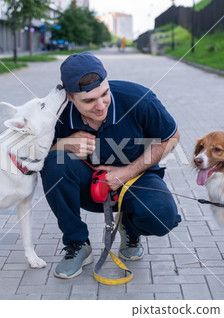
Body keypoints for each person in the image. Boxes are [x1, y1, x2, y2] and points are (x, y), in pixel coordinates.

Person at [41, 52, 181, 279]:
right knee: (53, 163)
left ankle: (130, 228)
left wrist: (126, 172)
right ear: (69, 97)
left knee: (163, 216)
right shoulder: (56, 113)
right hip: (87, 185)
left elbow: (171, 138)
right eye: (88, 101)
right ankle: (77, 244)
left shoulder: (138, 97)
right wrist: (64, 145)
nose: (100, 106)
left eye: (104, 94)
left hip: (137, 178)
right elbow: (30, 151)